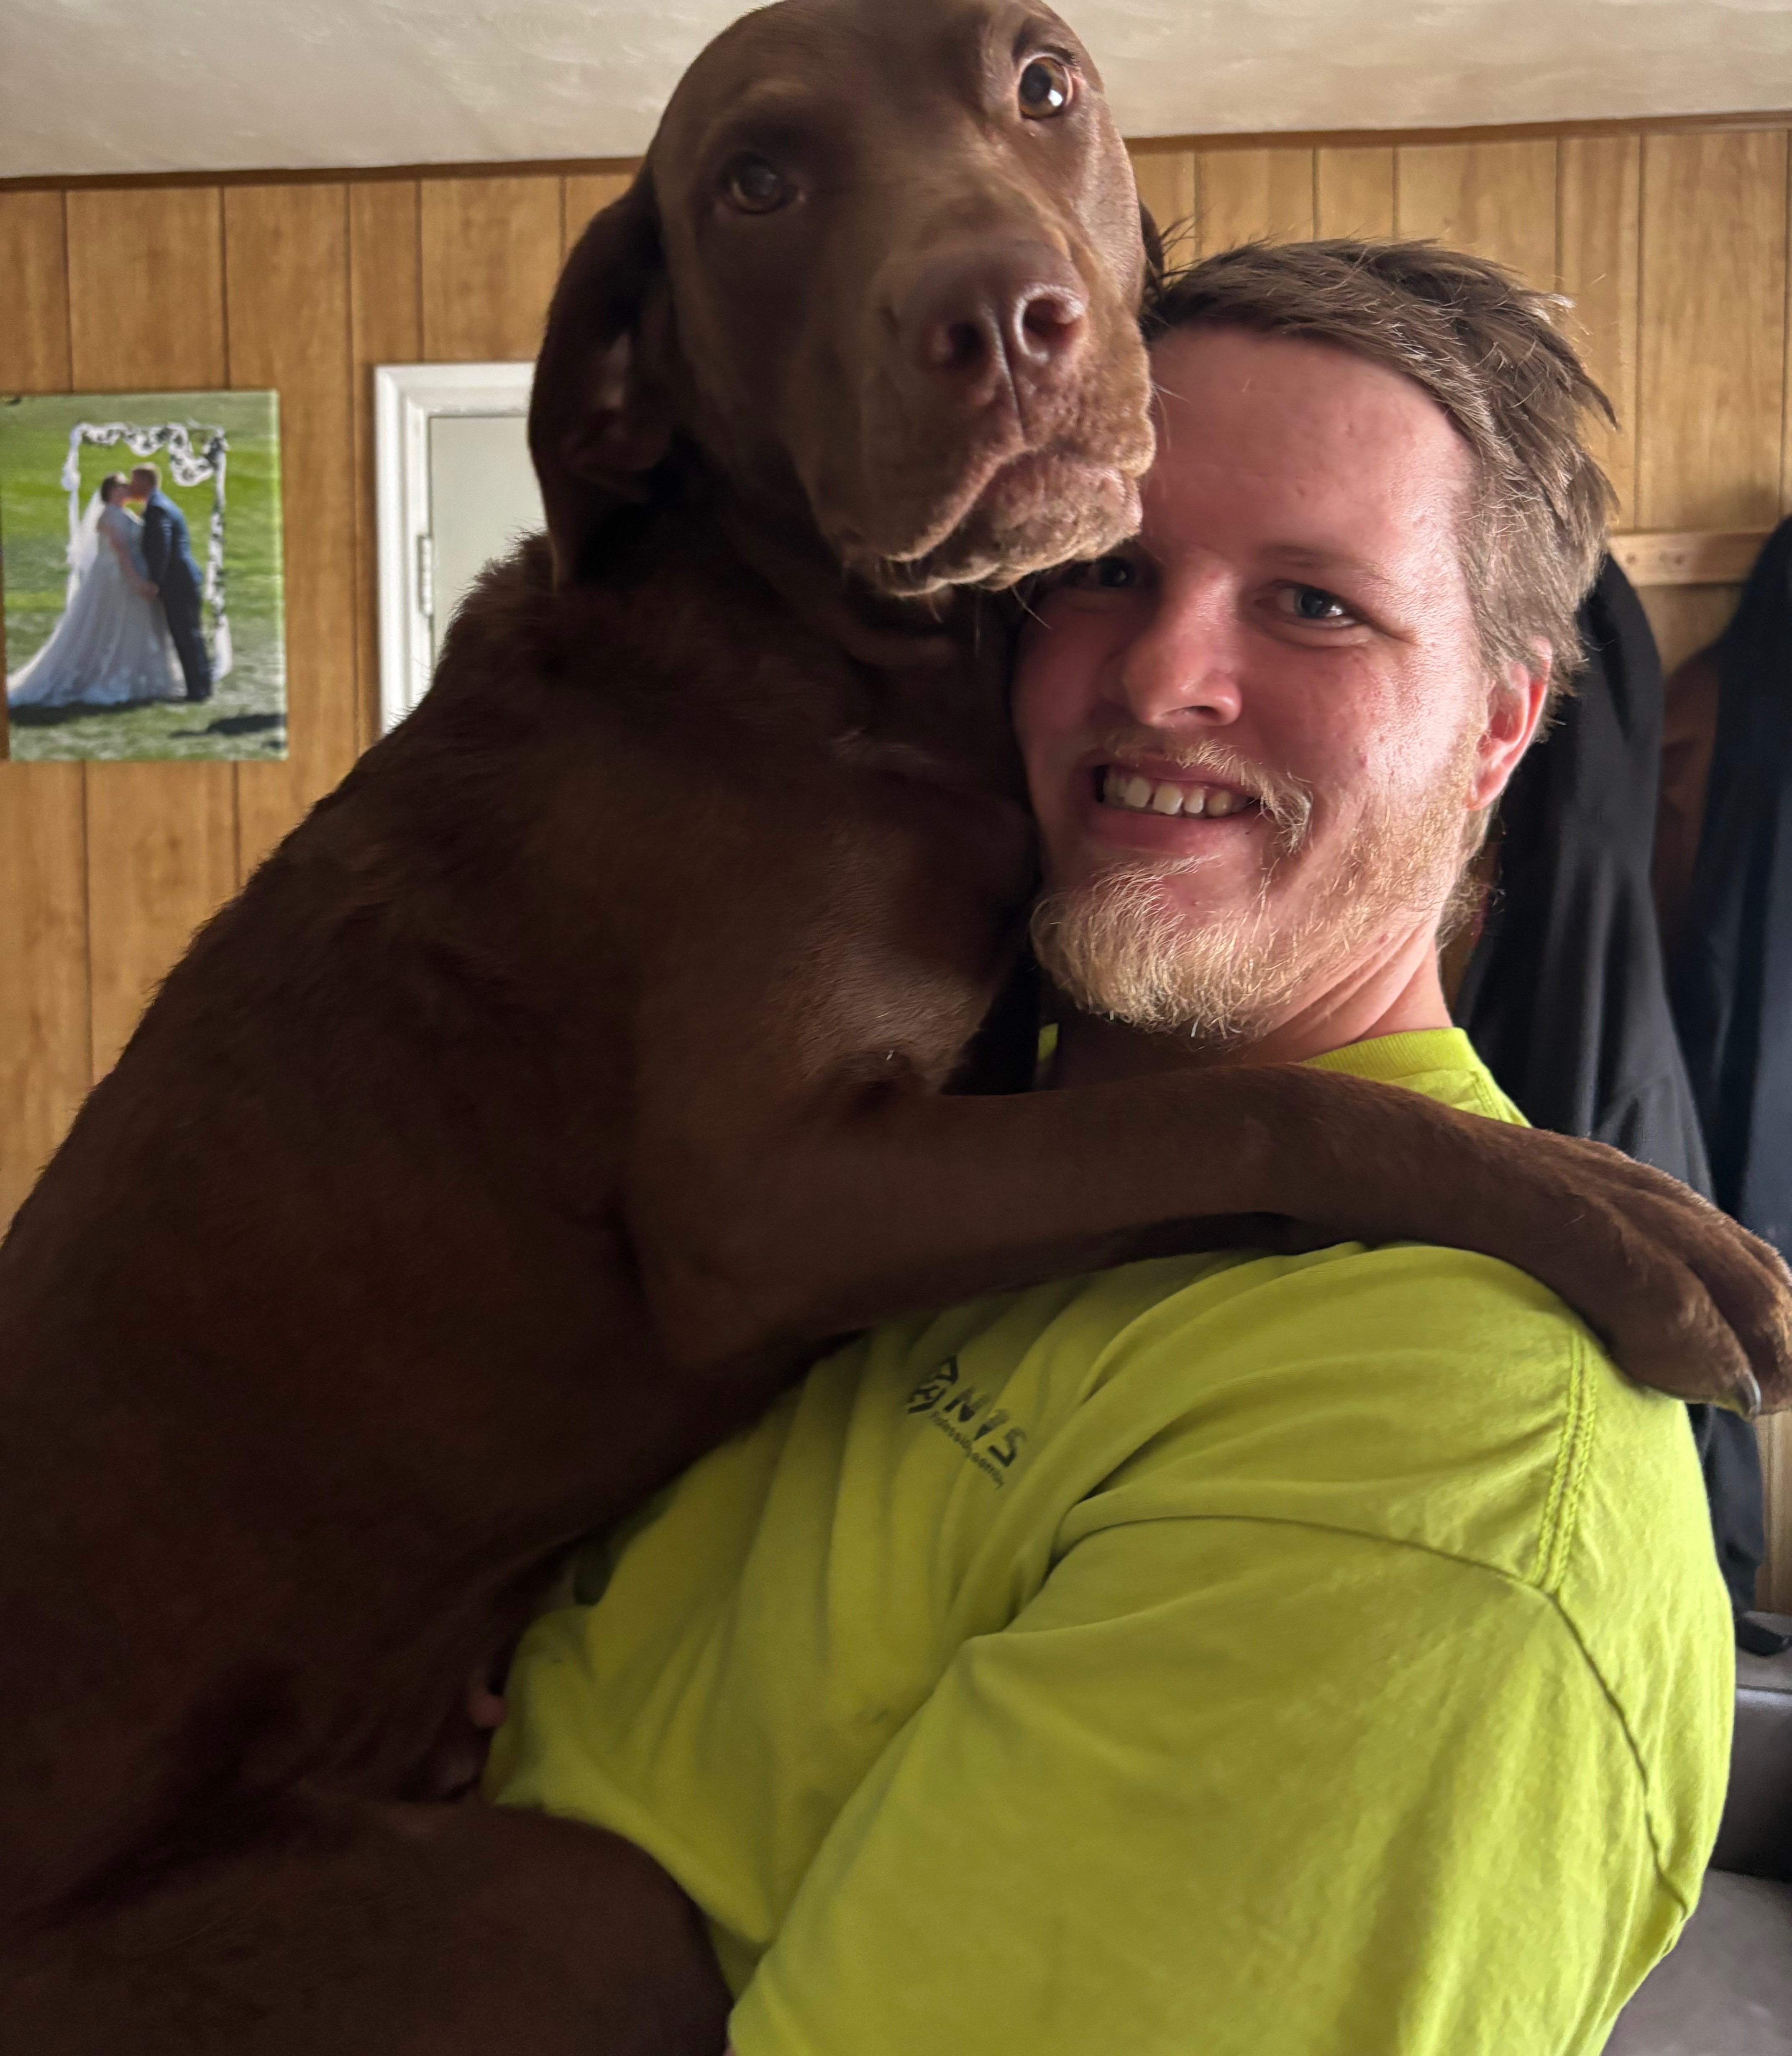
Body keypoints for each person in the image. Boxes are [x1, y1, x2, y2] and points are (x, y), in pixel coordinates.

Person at [486, 241, 1733, 2055]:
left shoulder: (1436, 1468)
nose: (1160, 677)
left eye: (1312, 605)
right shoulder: (924, 1148)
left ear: (1494, 728)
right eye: (1104, 572)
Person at [5, 470, 183, 710]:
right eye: (121, 486)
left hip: (126, 576)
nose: (127, 488)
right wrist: (137, 582)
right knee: (111, 625)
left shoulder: (125, 514)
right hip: (116, 579)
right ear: (111, 492)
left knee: (130, 626)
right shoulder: (109, 517)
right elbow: (121, 552)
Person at [129, 462, 212, 701]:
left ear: (145, 482)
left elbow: (162, 547)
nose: (131, 486)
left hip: (178, 583)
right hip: (184, 580)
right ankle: (200, 686)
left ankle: (198, 689)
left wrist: (155, 581)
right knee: (189, 634)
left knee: (186, 635)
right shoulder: (160, 504)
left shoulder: (157, 509)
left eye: (135, 481)